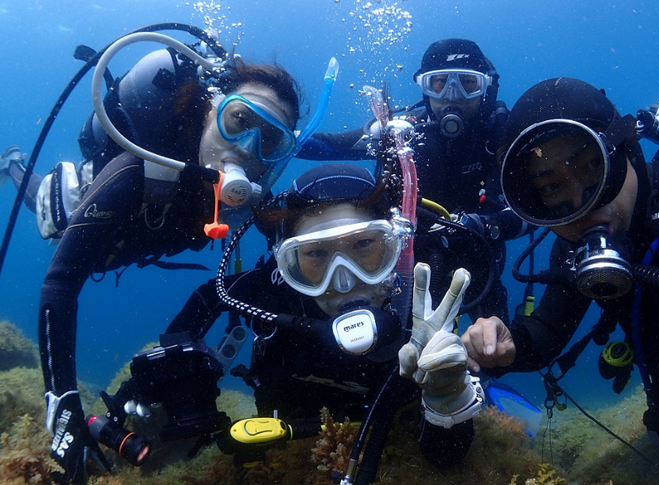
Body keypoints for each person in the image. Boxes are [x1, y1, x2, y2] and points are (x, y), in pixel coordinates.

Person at [462, 77, 659, 478]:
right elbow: (546, 330)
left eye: (592, 167)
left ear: (627, 151)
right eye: (550, 188)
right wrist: (507, 345)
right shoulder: (576, 249)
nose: (581, 203)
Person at [38, 45, 303, 484]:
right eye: (239, 121)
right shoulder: (133, 171)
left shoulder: (252, 195)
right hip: (99, 226)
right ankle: (14, 168)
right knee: (45, 209)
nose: (247, 146)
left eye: (269, 139)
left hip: (147, 240)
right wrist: (63, 399)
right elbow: (61, 283)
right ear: (208, 109)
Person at [147, 163, 482, 475]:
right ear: (287, 263)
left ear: (395, 248)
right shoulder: (272, 293)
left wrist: (447, 396)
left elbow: (446, 461)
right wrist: (184, 395)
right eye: (316, 254)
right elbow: (208, 296)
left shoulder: (420, 304)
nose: (343, 281)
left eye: (364, 244)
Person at [298, 38, 527, 323]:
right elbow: (325, 145)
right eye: (439, 83)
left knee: (492, 358)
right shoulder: (400, 133)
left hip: (479, 259)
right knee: (392, 352)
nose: (452, 95)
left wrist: (487, 225)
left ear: (486, 89)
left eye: (468, 83)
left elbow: (535, 212)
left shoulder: (503, 138)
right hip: (408, 263)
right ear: (424, 88)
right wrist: (273, 139)